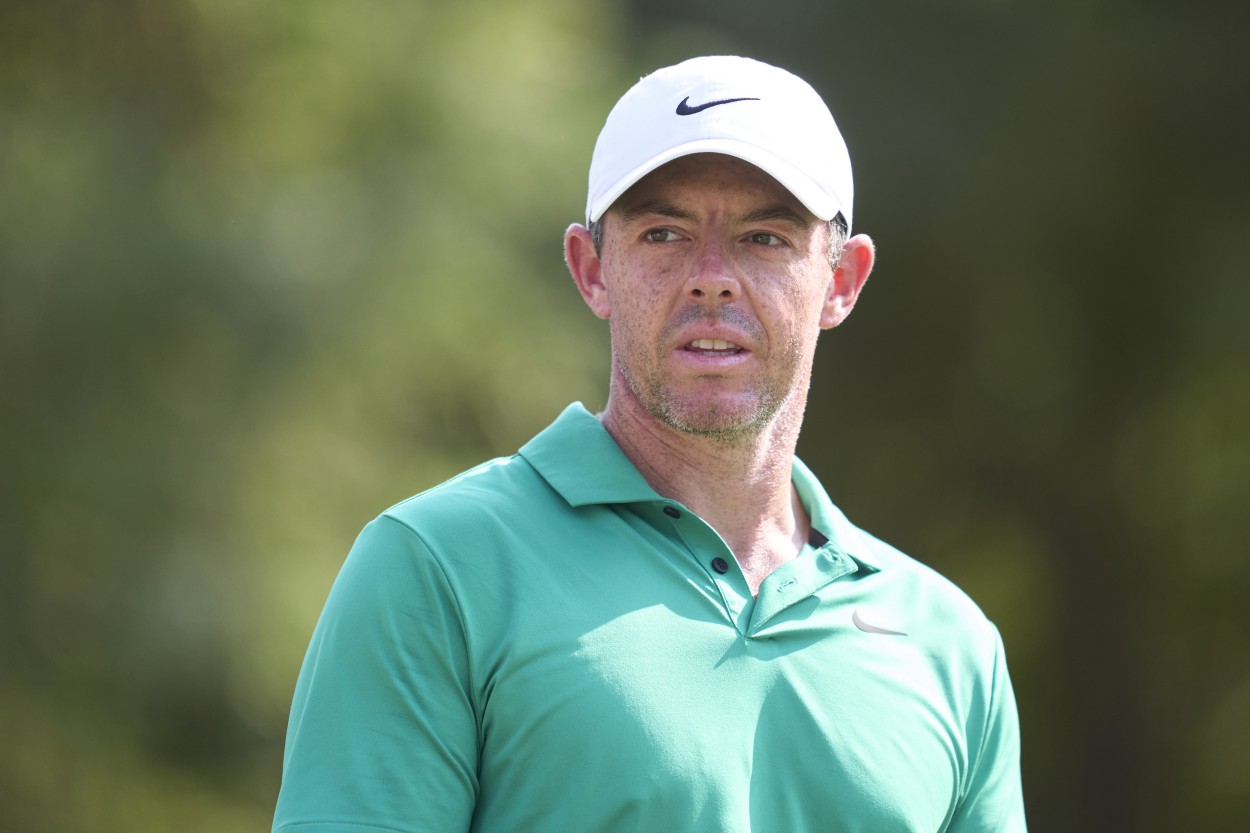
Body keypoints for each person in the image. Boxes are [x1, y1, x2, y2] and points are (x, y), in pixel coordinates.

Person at [272, 55, 1027, 833]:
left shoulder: (950, 644)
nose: (711, 278)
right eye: (663, 233)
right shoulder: (437, 569)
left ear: (842, 281)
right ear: (592, 269)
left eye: (765, 237)